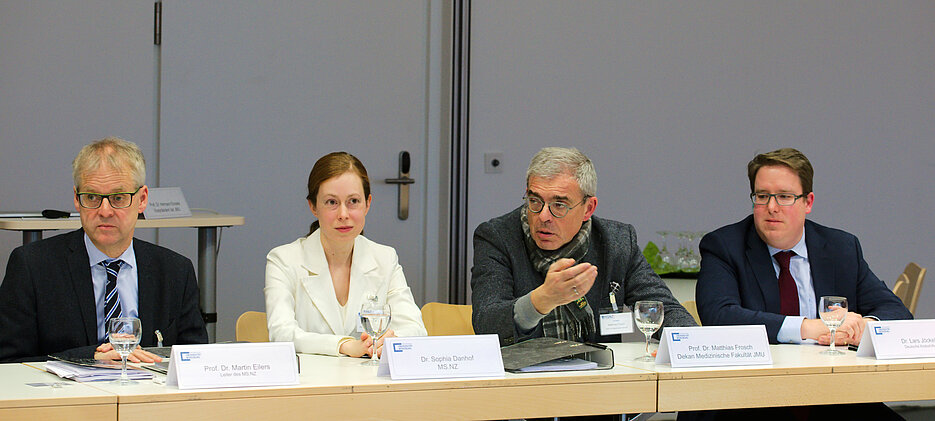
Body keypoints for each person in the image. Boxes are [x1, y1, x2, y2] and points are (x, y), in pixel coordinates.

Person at [695, 147, 910, 420]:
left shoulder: (840, 247)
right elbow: (720, 316)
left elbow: (896, 310)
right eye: (762, 196)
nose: (771, 207)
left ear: (807, 202)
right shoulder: (725, 246)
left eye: (784, 197)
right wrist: (808, 327)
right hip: (748, 399)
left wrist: (866, 326)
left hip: (831, 397)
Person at [0, 137, 208, 363]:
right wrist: (91, 357)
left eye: (118, 198)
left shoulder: (175, 271)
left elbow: (196, 360)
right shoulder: (33, 266)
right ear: (76, 200)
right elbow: (9, 363)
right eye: (92, 197)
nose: (105, 211)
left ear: (142, 199)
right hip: (68, 396)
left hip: (148, 395)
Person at [471, 147, 695, 347]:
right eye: (535, 201)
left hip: (597, 379)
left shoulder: (616, 241)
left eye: (559, 204)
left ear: (588, 208)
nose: (543, 216)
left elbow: (664, 308)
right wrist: (543, 299)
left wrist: (690, 347)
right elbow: (487, 323)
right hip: (523, 381)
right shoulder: (497, 237)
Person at [265, 152, 426, 357]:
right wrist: (344, 345)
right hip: (311, 382)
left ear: (368, 204)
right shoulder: (283, 260)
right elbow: (282, 333)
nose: (343, 214)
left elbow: (416, 329)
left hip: (370, 382)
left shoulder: (385, 258)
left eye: (353, 201)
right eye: (331, 202)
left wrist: (393, 340)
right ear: (313, 206)